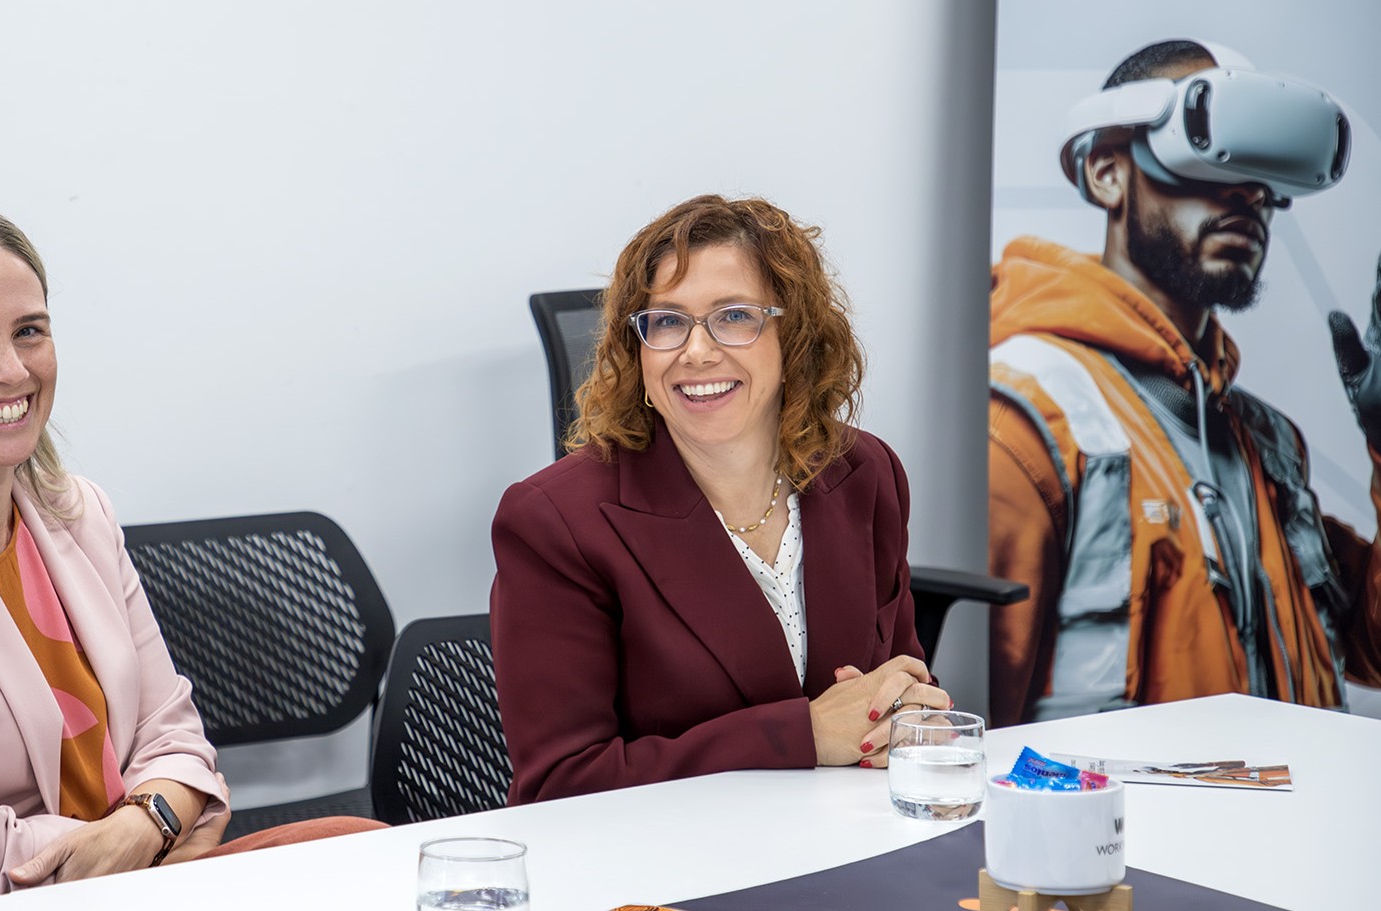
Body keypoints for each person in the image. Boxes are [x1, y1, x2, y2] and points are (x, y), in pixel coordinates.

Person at [0, 198, 378, 911]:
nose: (10, 368)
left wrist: (147, 821)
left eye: (30, 331)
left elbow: (175, 738)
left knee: (362, 855)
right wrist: (158, 832)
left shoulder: (76, 513)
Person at [490, 194, 946, 806]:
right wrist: (802, 736)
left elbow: (899, 683)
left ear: (795, 335)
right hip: (658, 878)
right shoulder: (555, 521)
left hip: (843, 845)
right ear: (637, 350)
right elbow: (560, 784)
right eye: (668, 321)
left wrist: (913, 717)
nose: (697, 351)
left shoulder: (864, 473)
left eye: (734, 316)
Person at [989, 39, 1381, 726]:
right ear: (1108, 172)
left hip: (1296, 832)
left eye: (1265, 177)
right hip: (1120, 837)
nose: (1248, 198)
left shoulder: (1265, 444)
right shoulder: (1026, 416)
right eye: (1209, 159)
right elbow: (956, 728)